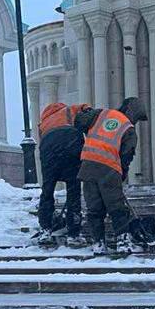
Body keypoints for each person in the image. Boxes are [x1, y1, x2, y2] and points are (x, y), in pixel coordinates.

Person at [79, 97, 148, 255]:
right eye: (137, 118)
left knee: (94, 208)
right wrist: (121, 175)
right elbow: (126, 156)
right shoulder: (128, 129)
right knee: (116, 207)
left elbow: (81, 120)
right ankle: (123, 242)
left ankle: (98, 244)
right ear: (133, 113)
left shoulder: (102, 115)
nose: (136, 122)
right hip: (108, 169)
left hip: (87, 166)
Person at [36, 101, 96, 243]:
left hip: (48, 148)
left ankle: (45, 230)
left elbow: (42, 141)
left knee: (47, 190)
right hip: (71, 141)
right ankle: (74, 233)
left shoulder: (43, 122)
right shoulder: (70, 109)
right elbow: (86, 109)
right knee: (73, 189)